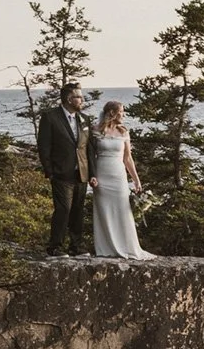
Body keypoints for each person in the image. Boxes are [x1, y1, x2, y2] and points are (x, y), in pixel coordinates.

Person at [37, 82, 97, 256]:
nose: (82, 99)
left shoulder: (84, 119)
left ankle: (76, 246)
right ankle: (55, 247)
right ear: (69, 99)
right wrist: (50, 171)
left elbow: (89, 148)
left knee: (78, 210)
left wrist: (92, 173)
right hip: (61, 173)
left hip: (82, 173)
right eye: (79, 96)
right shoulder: (50, 117)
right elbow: (44, 146)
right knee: (63, 209)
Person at [91, 101, 154, 260]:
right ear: (112, 113)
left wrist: (136, 180)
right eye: (121, 112)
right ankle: (105, 248)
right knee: (104, 211)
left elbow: (128, 158)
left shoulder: (123, 132)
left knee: (122, 210)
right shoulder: (96, 130)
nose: (123, 115)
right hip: (101, 175)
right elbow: (89, 156)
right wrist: (91, 176)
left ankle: (127, 246)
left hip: (118, 175)